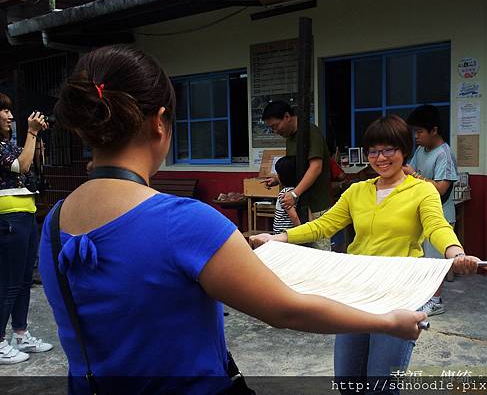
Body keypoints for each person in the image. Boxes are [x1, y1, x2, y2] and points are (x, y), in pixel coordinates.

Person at [38, 45, 427, 394]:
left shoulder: (54, 221)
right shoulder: (184, 222)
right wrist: (389, 320)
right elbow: (285, 309)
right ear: (159, 120)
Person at [250, 115, 487, 386]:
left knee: (381, 385)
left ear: (404, 151)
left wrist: (456, 254)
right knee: (348, 382)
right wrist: (278, 238)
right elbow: (324, 225)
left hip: (400, 291)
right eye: (373, 151)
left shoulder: (422, 191)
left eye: (389, 149)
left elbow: (437, 227)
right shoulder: (357, 191)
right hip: (356, 291)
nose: (381, 157)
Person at [0, 93, 53, 365]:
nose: (10, 116)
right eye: (4, 111)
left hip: (25, 212)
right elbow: (22, 165)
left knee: (23, 279)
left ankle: (20, 334)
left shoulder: (6, 143)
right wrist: (30, 133)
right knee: (8, 282)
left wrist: (37, 138)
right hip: (8, 216)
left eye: (10, 111)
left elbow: (31, 168)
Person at [404, 105, 458, 317]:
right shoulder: (420, 151)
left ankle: (436, 301)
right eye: (414, 132)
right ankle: (424, 297)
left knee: (435, 263)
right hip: (421, 215)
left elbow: (441, 188)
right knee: (423, 260)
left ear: (433, 130)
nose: (416, 136)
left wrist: (415, 175)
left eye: (419, 132)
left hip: (440, 216)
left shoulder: (444, 154)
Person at [261, 100, 331, 249]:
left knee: (320, 251)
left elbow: (316, 167)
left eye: (275, 126)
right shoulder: (290, 138)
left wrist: (294, 194)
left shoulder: (309, 132)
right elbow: (296, 169)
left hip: (315, 204)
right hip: (300, 204)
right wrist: (279, 179)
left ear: (287, 116)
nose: (275, 131)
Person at [272, 155, 301, 235]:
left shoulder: (285, 194)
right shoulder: (295, 191)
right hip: (286, 233)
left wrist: (302, 233)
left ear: (281, 176)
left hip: (284, 234)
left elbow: (294, 217)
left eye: (277, 173)